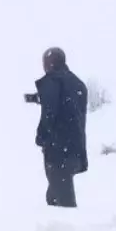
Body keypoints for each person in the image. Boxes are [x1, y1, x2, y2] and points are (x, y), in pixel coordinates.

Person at [33, 47, 88, 207]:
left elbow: (50, 112)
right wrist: (40, 97)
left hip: (58, 149)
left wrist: (42, 137)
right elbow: (68, 104)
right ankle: (57, 229)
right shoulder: (77, 83)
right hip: (75, 148)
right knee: (54, 196)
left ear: (50, 63)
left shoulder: (53, 81)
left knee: (64, 202)